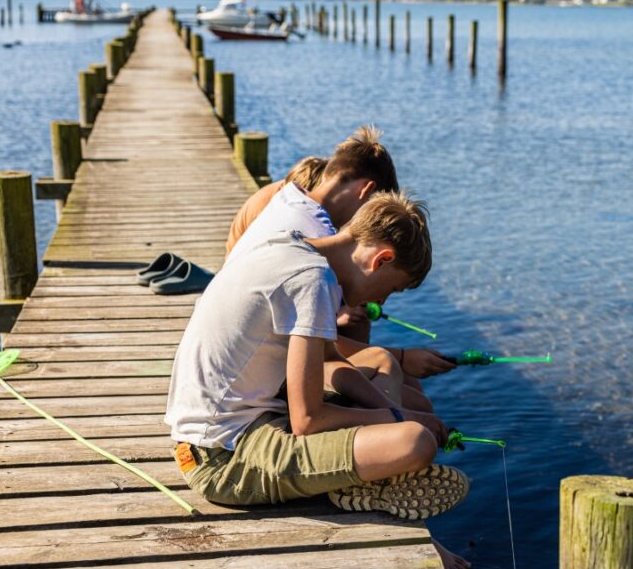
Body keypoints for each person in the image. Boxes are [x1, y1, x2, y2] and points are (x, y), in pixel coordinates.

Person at [165, 192, 469, 526]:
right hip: (223, 459)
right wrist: (397, 420)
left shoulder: (290, 246)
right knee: (416, 442)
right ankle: (366, 478)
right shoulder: (313, 280)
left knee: (384, 363)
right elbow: (308, 420)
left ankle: (368, 473)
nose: (382, 300)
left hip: (230, 430)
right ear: (381, 259)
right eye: (391, 289)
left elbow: (329, 360)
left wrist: (392, 412)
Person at [226, 127, 456, 407]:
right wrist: (401, 365)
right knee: (411, 401)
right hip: (248, 387)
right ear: (366, 192)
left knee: (398, 383)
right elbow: (308, 398)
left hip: (243, 361)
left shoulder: (291, 202)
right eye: (373, 208)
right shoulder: (315, 246)